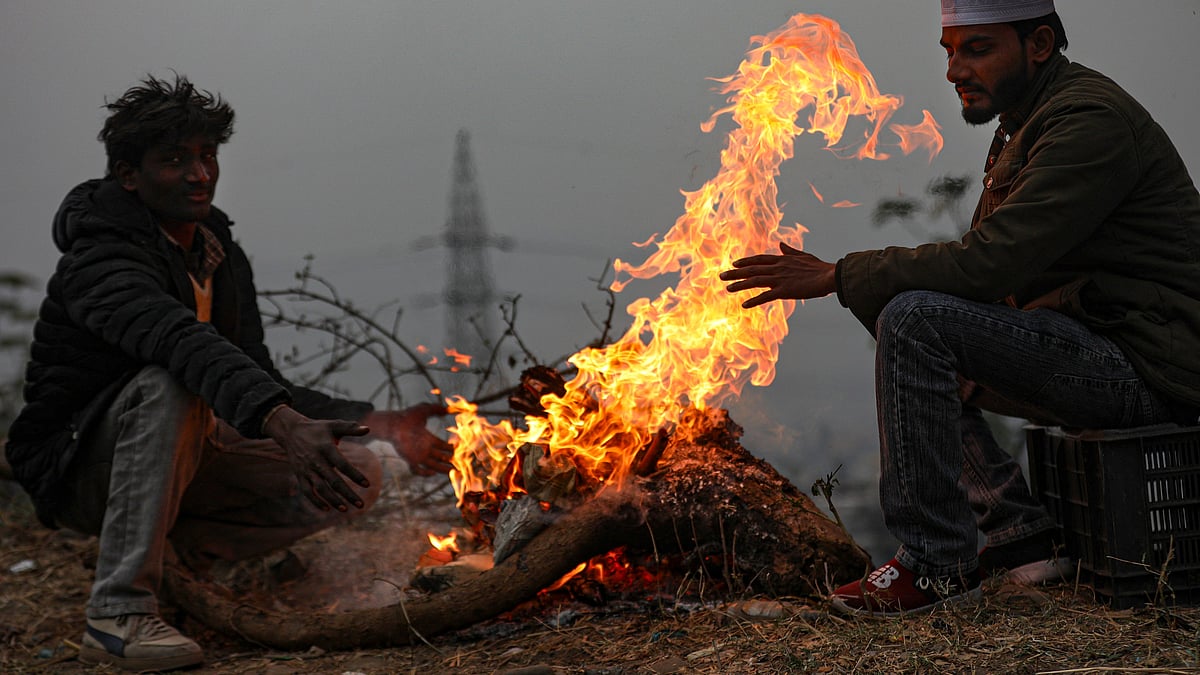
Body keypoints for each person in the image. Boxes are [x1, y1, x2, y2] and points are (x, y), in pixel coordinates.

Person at [721, 0, 1200, 617]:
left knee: (915, 316)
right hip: (1103, 342)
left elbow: (989, 263)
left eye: (976, 49)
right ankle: (1018, 533)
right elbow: (987, 280)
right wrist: (866, 286)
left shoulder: (1088, 121)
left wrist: (840, 274)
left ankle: (935, 564)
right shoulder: (1026, 120)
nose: (954, 70)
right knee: (906, 307)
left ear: (1039, 43)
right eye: (949, 51)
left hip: (1150, 366)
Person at [4, 74, 456, 670]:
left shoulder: (215, 252)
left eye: (207, 156)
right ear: (128, 175)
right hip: (79, 469)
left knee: (358, 470)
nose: (199, 175)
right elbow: (180, 343)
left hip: (185, 454)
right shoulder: (100, 259)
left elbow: (255, 374)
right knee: (173, 381)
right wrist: (284, 424)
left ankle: (185, 561)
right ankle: (117, 613)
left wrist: (377, 421)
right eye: (174, 160)